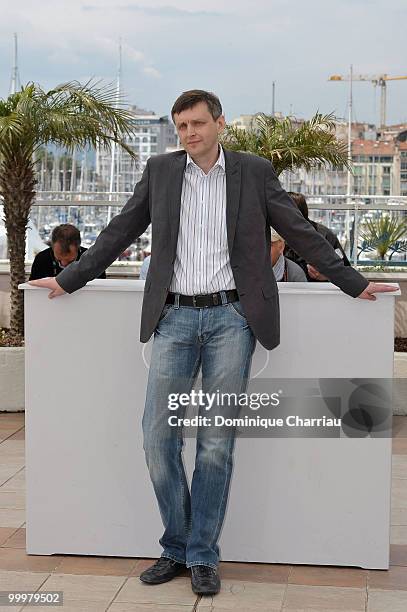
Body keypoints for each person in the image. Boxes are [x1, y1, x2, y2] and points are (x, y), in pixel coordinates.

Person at [29, 89, 396, 597]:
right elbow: (118, 231)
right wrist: (69, 278)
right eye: (181, 126)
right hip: (174, 317)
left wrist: (353, 281)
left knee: (216, 445)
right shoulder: (160, 172)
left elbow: (300, 231)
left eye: (197, 124)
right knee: (157, 437)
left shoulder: (254, 171)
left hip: (231, 319)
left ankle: (201, 554)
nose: (189, 134)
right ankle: (176, 544)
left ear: (219, 123)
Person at [285, 192, 350, 282]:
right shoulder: (274, 236)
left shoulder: (325, 236)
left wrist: (326, 276)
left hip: (318, 290)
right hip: (283, 290)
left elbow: (345, 271)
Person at [29, 224, 106, 281]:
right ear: (52, 247)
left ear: (78, 247)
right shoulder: (41, 259)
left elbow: (100, 291)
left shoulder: (92, 261)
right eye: (58, 260)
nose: (63, 264)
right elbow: (33, 290)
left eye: (70, 262)